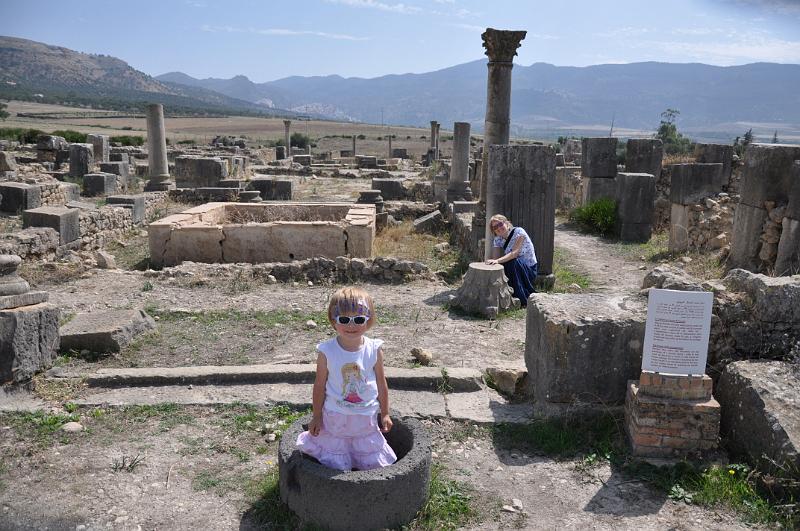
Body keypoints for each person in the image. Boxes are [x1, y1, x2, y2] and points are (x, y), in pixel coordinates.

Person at [295, 286, 397, 471]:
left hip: (365, 416)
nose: (351, 326)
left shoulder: (374, 349)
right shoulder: (327, 351)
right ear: (333, 321)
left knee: (364, 446)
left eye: (358, 319)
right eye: (344, 319)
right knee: (338, 447)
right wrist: (316, 416)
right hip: (336, 415)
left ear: (368, 320)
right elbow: (319, 385)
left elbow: (381, 384)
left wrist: (385, 413)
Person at [485, 214, 538, 307]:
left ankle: (522, 299)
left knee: (513, 262)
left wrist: (497, 261)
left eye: (500, 224)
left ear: (506, 223)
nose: (499, 228)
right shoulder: (498, 239)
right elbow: (495, 259)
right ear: (494, 231)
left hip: (528, 269)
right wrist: (493, 262)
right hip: (515, 268)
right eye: (495, 227)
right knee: (504, 265)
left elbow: (514, 253)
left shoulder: (519, 232)